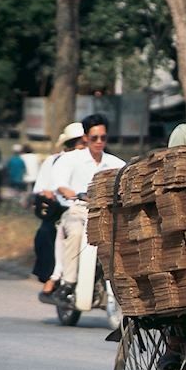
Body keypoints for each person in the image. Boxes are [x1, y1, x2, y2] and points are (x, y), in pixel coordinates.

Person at [40, 114, 125, 305]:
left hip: (107, 214)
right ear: (86, 138)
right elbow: (59, 183)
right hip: (78, 210)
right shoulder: (70, 159)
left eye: (103, 137)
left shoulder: (116, 163)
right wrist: (71, 192)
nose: (99, 142)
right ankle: (68, 282)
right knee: (76, 232)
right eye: (94, 138)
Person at [32, 122, 86, 294]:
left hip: (89, 209)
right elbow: (43, 188)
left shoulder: (95, 161)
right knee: (47, 233)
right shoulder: (54, 161)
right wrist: (52, 193)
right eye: (81, 143)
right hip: (61, 210)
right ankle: (53, 276)